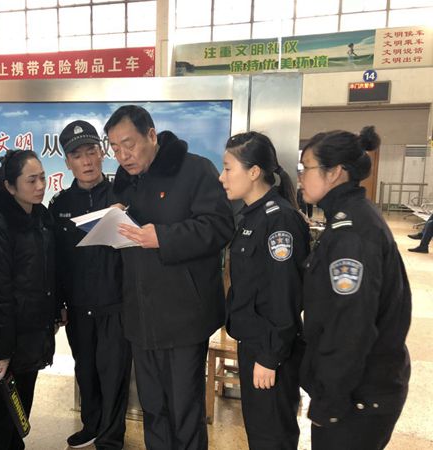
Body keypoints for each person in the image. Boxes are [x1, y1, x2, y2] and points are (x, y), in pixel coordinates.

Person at [104, 105, 234, 449]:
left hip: (183, 316)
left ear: (151, 135)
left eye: (129, 144)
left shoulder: (195, 170)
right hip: (140, 314)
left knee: (184, 408)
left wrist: (163, 237)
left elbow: (220, 226)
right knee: (153, 408)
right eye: (115, 148)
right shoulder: (125, 182)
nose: (123, 155)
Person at [299, 126, 411, 450]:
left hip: (358, 396)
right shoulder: (350, 218)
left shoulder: (351, 235)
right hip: (361, 387)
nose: (301, 177)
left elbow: (350, 327)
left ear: (334, 172)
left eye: (307, 168)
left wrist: (330, 402)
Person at [219, 132, 309, 449]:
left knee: (272, 436)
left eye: (228, 168)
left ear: (254, 171)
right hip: (254, 344)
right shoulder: (251, 216)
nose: (222, 177)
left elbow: (285, 294)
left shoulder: (279, 220)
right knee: (260, 433)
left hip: (270, 349)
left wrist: (270, 356)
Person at [49, 120, 131, 450]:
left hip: (116, 303)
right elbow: (57, 260)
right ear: (68, 162)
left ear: (102, 153)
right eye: (77, 155)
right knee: (86, 371)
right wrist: (59, 304)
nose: (86, 161)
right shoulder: (60, 205)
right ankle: (91, 426)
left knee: (114, 374)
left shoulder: (122, 196)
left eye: (91, 151)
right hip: (78, 306)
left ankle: (110, 438)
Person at [0, 150, 58, 450]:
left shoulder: (41, 217)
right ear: (10, 186)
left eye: (43, 178)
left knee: (20, 414)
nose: (40, 186)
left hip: (33, 335)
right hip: (7, 339)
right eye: (31, 180)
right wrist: (1, 350)